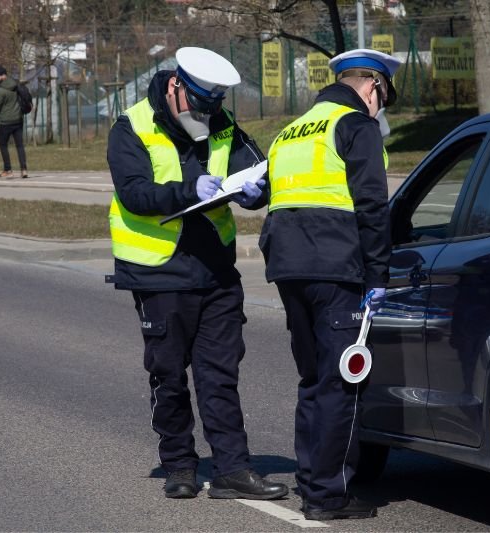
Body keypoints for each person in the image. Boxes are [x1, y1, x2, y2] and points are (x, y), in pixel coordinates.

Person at [106, 46, 286, 501]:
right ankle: (180, 465)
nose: (209, 116)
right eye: (202, 105)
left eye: (216, 106)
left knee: (219, 375)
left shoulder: (221, 123)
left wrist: (254, 192)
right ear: (177, 88)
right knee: (168, 375)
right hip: (159, 273)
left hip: (215, 271)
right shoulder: (132, 126)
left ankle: (232, 469)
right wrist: (189, 190)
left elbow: (256, 171)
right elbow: (134, 194)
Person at [258, 48, 401, 520]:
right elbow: (372, 209)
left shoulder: (290, 132)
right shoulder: (355, 126)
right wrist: (378, 275)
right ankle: (328, 496)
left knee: (313, 379)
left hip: (288, 268)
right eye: (382, 98)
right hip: (336, 269)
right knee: (342, 383)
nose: (380, 109)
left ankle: (310, 482)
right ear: (372, 87)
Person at [0, 66, 28, 179]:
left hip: (6, 122)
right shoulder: (16, 85)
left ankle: (8, 169)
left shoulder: (0, 90)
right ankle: (24, 170)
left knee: (2, 144)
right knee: (20, 145)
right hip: (18, 119)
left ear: (3, 75)